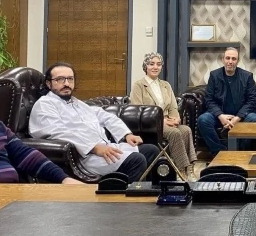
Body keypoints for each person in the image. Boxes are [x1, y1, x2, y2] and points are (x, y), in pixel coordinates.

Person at [29, 62, 160, 183]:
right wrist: (94, 147)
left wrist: (126, 134)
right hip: (84, 157)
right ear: (49, 83)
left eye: (70, 79)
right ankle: (120, 198)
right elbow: (57, 132)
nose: (66, 83)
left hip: (104, 149)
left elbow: (106, 116)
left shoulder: (76, 103)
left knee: (151, 150)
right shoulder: (45, 104)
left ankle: (148, 194)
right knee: (136, 160)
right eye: (60, 79)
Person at [130, 52, 197, 181]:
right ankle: (180, 170)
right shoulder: (138, 86)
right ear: (145, 66)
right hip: (150, 125)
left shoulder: (166, 85)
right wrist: (162, 122)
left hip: (168, 121)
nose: (155, 67)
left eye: (158, 64)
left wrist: (176, 118)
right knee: (175, 133)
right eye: (151, 64)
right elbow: (139, 111)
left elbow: (173, 107)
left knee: (186, 130)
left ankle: (189, 169)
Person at [197, 47, 256, 154]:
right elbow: (209, 99)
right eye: (228, 58)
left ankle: (239, 152)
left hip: (241, 116)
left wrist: (237, 118)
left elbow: (251, 100)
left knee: (255, 119)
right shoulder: (214, 75)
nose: (230, 61)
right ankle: (220, 152)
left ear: (238, 61)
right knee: (203, 119)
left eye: (233, 59)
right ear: (223, 60)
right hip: (219, 115)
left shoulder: (247, 77)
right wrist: (220, 115)